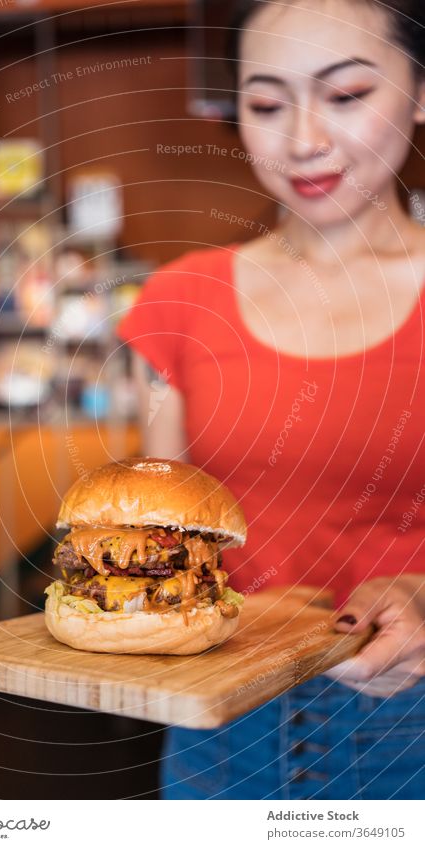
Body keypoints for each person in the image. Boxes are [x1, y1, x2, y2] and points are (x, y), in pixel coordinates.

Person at [117, 0, 425, 799]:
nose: (301, 140)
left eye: (347, 94)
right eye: (264, 103)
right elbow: (158, 519)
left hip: (406, 733)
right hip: (214, 729)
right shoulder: (179, 299)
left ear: (419, 89)